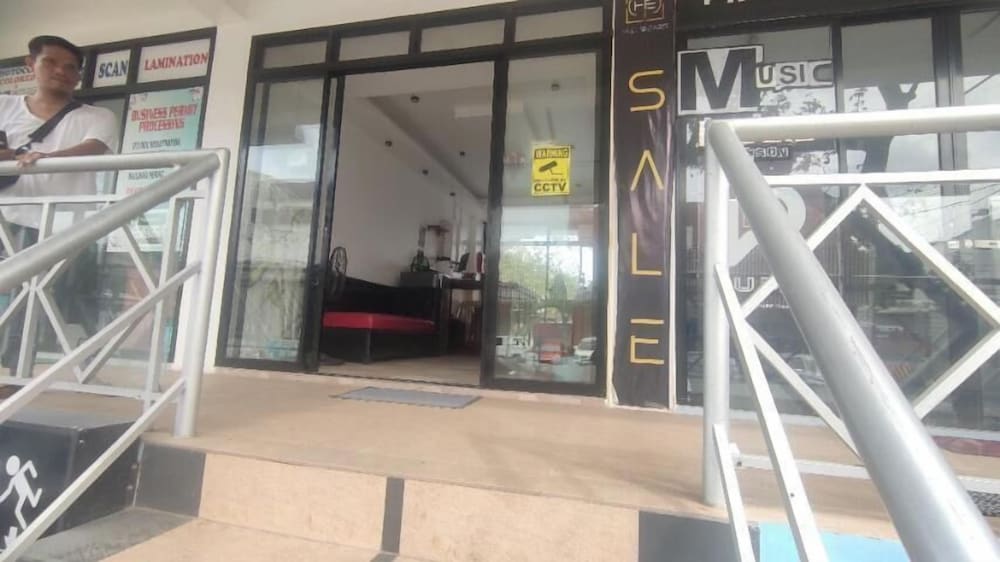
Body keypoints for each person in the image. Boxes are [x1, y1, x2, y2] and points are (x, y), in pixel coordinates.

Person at [0, 35, 118, 373]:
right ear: (31, 64)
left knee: (37, 296)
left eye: (70, 67)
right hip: (8, 216)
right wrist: (19, 154)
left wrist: (44, 157)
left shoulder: (97, 116)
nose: (60, 72)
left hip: (63, 226)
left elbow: (93, 148)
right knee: (26, 294)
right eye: (50, 62)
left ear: (78, 76)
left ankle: (18, 374)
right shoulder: (4, 106)